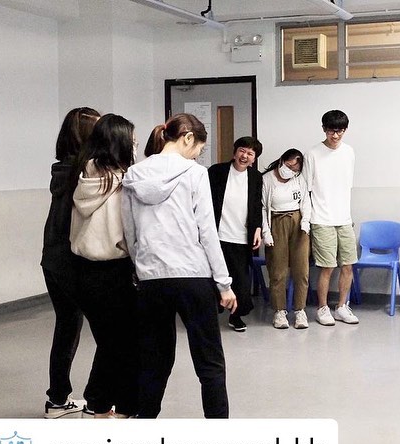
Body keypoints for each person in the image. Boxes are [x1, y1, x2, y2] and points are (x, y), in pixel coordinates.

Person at [121, 113, 237, 418]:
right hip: (193, 276)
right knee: (209, 361)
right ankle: (219, 431)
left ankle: (145, 423)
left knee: (153, 359)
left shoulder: (133, 174)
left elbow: (130, 232)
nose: (197, 154)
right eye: (199, 147)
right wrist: (224, 284)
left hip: (151, 278)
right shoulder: (195, 173)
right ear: (187, 138)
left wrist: (141, 267)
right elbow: (207, 232)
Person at [70, 113, 139, 418]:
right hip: (114, 271)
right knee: (122, 342)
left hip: (84, 271)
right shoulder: (120, 180)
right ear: (120, 142)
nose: (135, 144)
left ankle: (100, 404)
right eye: (132, 139)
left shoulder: (85, 173)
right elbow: (127, 232)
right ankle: (111, 406)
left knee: (110, 342)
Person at [42, 106, 100, 419]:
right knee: (106, 331)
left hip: (52, 259)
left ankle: (57, 399)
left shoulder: (61, 169)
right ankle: (98, 402)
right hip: (73, 260)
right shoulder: (85, 174)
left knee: (67, 327)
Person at [303, 110, 359, 326]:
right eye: (331, 131)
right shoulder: (313, 154)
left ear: (345, 130)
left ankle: (342, 307)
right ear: (324, 129)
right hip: (321, 219)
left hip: (344, 219)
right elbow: (307, 189)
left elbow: (347, 185)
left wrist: (347, 216)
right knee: (327, 267)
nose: (335, 135)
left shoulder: (349, 152)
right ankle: (322, 308)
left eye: (340, 131)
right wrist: (307, 220)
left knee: (348, 266)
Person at [208, 137, 263, 333]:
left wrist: (258, 228)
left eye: (250, 153)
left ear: (254, 158)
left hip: (241, 236)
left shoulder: (256, 177)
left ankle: (235, 316)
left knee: (240, 279)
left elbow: (257, 205)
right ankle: (210, 315)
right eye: (242, 150)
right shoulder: (217, 171)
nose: (244, 156)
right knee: (212, 277)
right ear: (235, 151)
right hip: (216, 235)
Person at [261, 148, 312, 329]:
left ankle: (300, 310)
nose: (290, 171)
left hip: (298, 223)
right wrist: (266, 232)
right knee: (278, 270)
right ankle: (279, 311)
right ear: (282, 161)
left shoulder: (299, 179)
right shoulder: (267, 179)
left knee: (301, 270)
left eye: (295, 169)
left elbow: (306, 202)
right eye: (289, 166)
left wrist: (305, 222)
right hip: (276, 222)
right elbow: (262, 208)